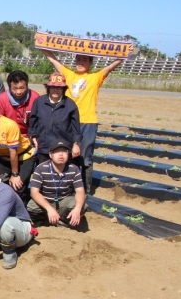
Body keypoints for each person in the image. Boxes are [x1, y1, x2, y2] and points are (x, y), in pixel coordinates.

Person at [41, 47, 130, 193]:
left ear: (90, 62)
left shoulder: (95, 77)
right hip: (68, 121)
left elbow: (112, 66)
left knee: (85, 157)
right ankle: (69, 187)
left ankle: (86, 190)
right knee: (68, 154)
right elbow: (52, 59)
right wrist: (42, 46)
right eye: (78, 59)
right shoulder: (68, 74)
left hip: (87, 121)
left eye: (84, 60)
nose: (80, 62)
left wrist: (124, 54)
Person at [27, 140, 86, 229]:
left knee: (81, 206)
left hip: (63, 201)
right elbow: (34, 192)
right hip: (46, 201)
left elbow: (80, 191)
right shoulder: (41, 168)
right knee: (31, 206)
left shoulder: (74, 169)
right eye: (57, 151)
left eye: (64, 151)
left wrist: (77, 209)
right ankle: (46, 221)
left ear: (68, 154)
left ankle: (62, 222)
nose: (61, 154)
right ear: (50, 154)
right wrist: (49, 209)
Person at [28, 73, 81, 165]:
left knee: (63, 175)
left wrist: (76, 144)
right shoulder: (39, 102)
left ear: (63, 89)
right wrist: (33, 138)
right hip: (44, 147)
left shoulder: (70, 104)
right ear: (48, 88)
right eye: (53, 87)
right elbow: (33, 123)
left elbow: (75, 127)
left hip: (63, 148)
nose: (55, 90)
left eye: (59, 88)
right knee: (44, 174)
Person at [0, 70, 39, 138]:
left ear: (27, 85)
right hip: (9, 136)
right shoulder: (2, 99)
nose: (18, 92)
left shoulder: (35, 97)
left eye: (22, 88)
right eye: (15, 88)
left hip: (30, 136)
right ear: (9, 87)